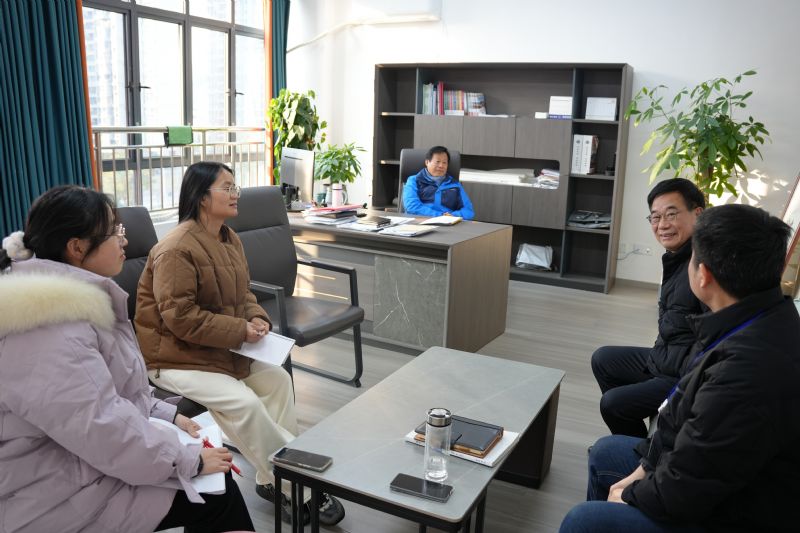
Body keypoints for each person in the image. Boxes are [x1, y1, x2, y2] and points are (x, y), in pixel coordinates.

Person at [0, 185, 253, 533]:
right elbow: (101, 426)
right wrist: (189, 460)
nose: (125, 240)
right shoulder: (49, 329)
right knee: (217, 496)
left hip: (80, 464)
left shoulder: (70, 304)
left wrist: (167, 415)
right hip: (50, 494)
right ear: (77, 247)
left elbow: (110, 394)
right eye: (115, 231)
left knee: (217, 488)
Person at [560, 204, 800, 533]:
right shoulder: (750, 318)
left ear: (703, 275)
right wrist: (644, 468)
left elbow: (686, 490)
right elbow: (677, 412)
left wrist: (629, 495)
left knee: (584, 520)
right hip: (718, 481)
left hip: (740, 511)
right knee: (605, 452)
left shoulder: (746, 372)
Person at [134, 161, 345, 527]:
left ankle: (269, 478)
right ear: (202, 197)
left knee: (278, 382)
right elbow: (180, 318)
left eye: (236, 187)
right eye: (227, 188)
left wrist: (256, 318)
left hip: (215, 347)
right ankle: (300, 483)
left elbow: (243, 292)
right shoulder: (176, 249)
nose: (236, 194)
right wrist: (239, 330)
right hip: (172, 358)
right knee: (244, 403)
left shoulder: (228, 238)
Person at [591, 178, 705, 437]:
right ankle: (629, 441)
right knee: (603, 359)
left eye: (672, 214)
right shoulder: (678, 259)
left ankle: (634, 453)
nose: (662, 225)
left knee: (612, 404)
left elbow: (712, 341)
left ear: (697, 214)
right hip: (667, 358)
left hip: (683, 376)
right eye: (655, 217)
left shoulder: (704, 266)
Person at [402, 145, 475, 219]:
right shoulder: (414, 180)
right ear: (427, 162)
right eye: (437, 162)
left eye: (444, 163)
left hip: (448, 222)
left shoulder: (455, 184)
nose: (441, 166)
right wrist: (440, 216)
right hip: (420, 220)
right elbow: (412, 207)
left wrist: (453, 216)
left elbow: (468, 211)